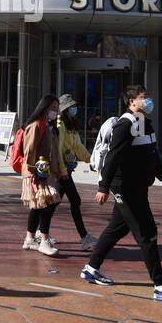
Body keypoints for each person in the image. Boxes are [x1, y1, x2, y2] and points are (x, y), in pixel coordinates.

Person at [81, 85, 162, 302]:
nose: (148, 101)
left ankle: (91, 269)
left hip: (137, 187)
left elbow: (150, 154)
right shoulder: (126, 124)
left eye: (148, 96)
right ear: (131, 103)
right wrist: (104, 187)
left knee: (116, 229)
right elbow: (113, 156)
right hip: (125, 188)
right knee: (146, 234)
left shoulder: (142, 123)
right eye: (143, 97)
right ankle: (160, 285)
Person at [19, 94, 63, 257]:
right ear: (44, 108)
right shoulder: (36, 125)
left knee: (37, 206)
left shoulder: (47, 125)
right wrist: (33, 171)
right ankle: (44, 240)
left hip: (44, 172)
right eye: (52, 108)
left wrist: (55, 169)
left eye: (56, 109)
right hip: (37, 173)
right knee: (46, 204)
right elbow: (29, 150)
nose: (54, 112)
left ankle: (30, 238)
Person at [55, 94, 98, 250]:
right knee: (74, 201)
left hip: (67, 170)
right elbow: (58, 150)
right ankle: (84, 237)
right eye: (72, 107)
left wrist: (91, 160)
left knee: (52, 203)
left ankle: (38, 232)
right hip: (62, 172)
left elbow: (78, 147)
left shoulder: (71, 125)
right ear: (65, 109)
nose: (75, 109)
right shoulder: (60, 126)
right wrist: (62, 170)